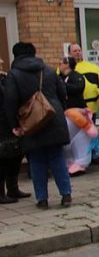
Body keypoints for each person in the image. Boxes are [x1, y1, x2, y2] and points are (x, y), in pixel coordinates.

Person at [4, 42, 72, 208]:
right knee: (57, 158)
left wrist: (14, 125)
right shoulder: (48, 70)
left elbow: (10, 101)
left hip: (31, 122)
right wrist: (58, 110)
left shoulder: (14, 75)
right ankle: (66, 194)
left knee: (36, 160)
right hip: (53, 117)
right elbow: (63, 93)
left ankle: (42, 199)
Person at [0, 56, 30, 203]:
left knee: (15, 155)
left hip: (11, 123)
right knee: (2, 158)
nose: (2, 61)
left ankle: (13, 188)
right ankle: (1, 193)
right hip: (1, 126)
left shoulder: (5, 78)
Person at [69, 43, 99, 162]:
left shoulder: (93, 67)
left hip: (91, 106)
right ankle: (80, 157)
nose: (78, 52)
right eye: (74, 51)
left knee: (92, 132)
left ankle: (94, 155)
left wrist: (98, 95)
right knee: (78, 134)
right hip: (74, 108)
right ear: (69, 53)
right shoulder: (66, 68)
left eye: (79, 50)